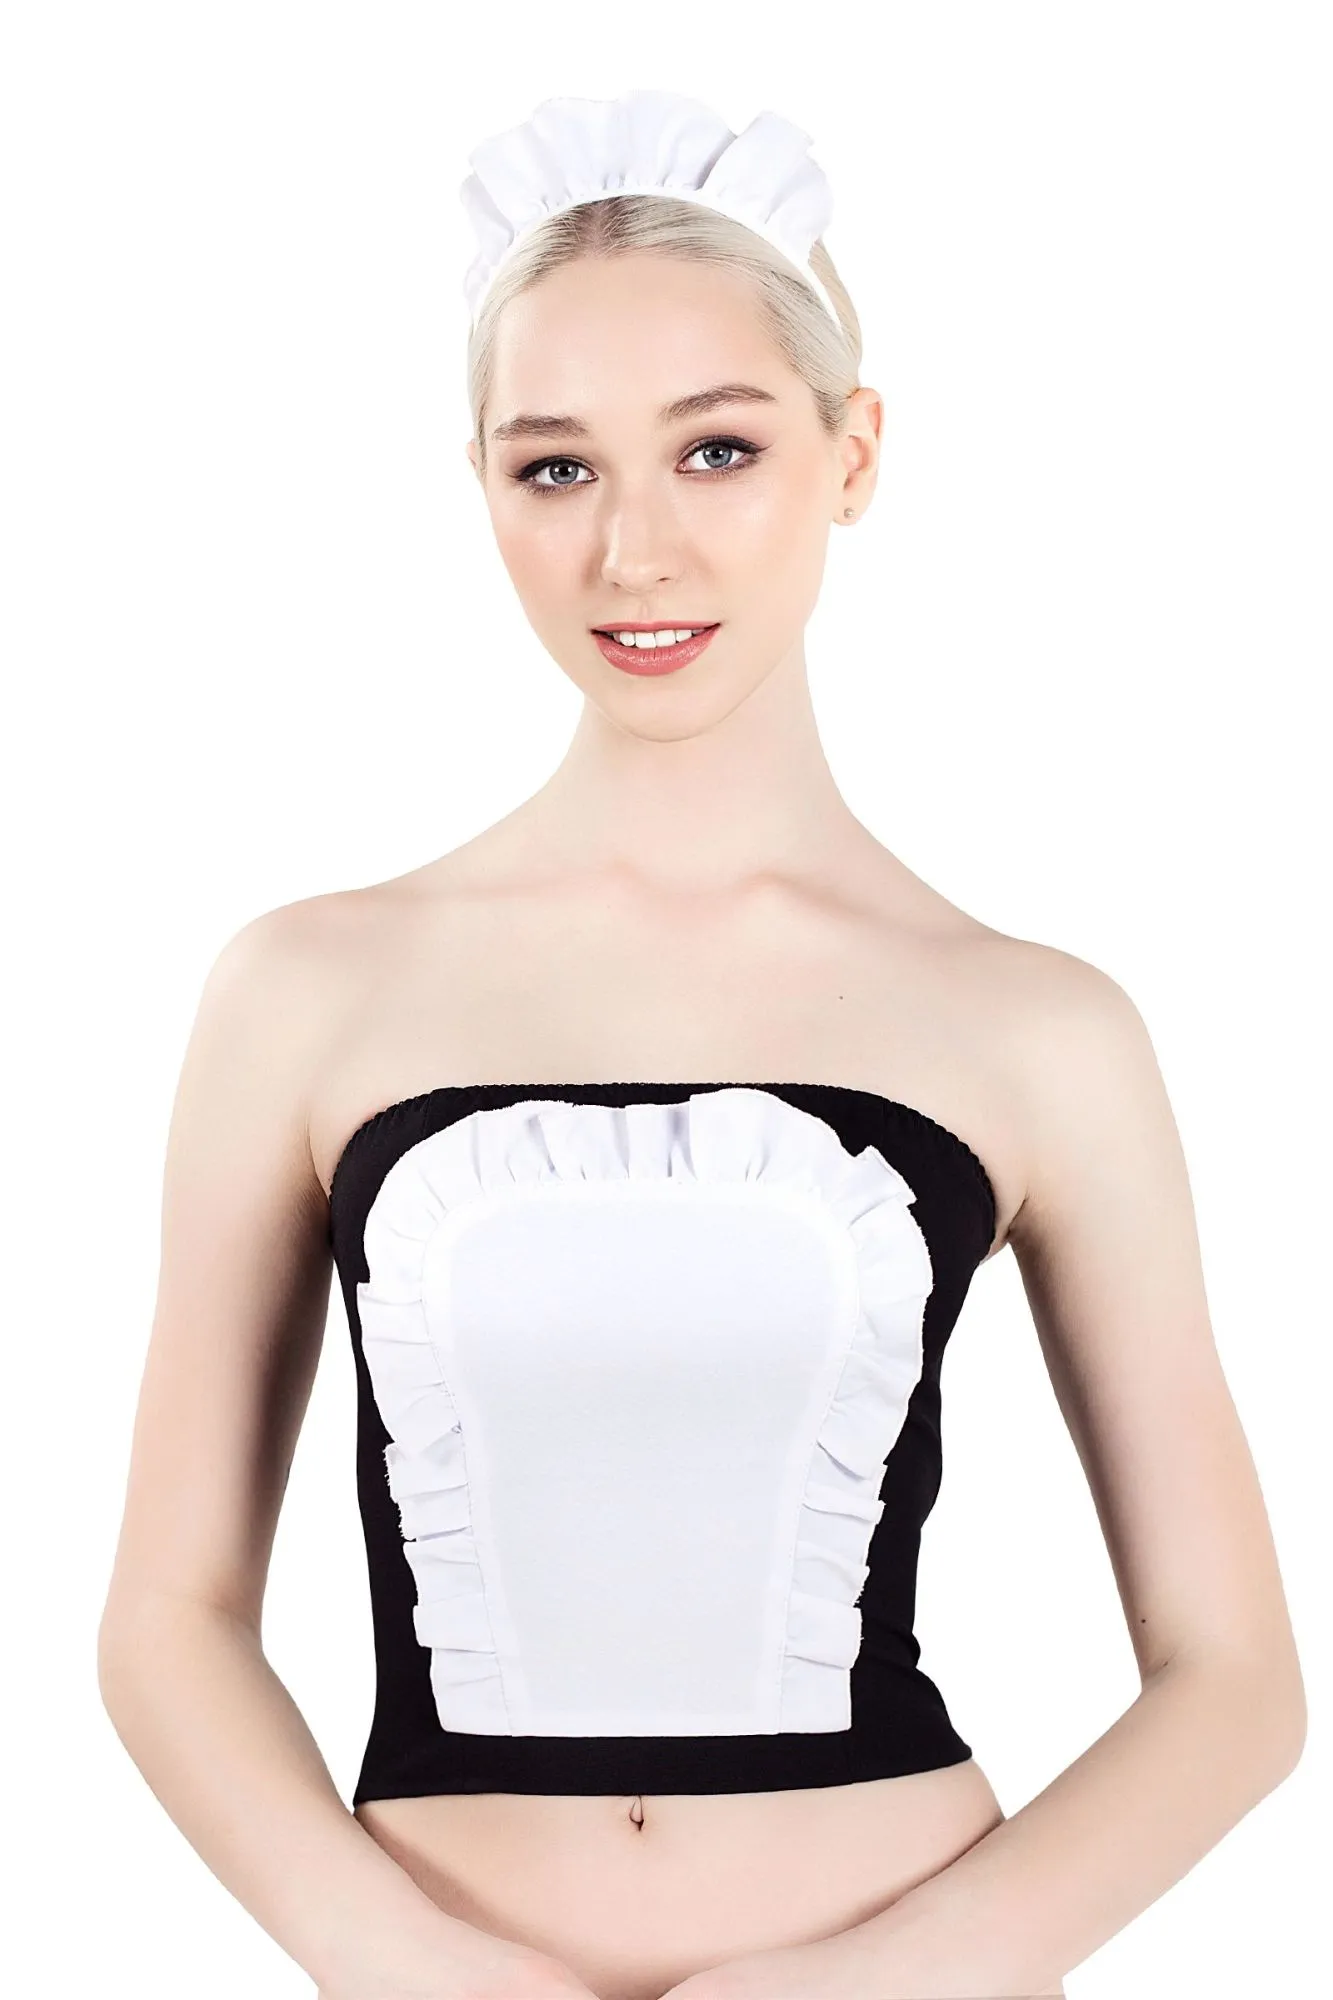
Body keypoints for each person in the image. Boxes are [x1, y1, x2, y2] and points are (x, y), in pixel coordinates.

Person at [97, 91, 1305, 2000]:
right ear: (480, 485)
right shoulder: (305, 992)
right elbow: (166, 1619)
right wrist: (394, 1961)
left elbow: (1235, 1680)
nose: (634, 551)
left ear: (854, 453)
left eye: (718, 449)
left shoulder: (1038, 1027)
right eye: (554, 469)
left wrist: (896, 1980)